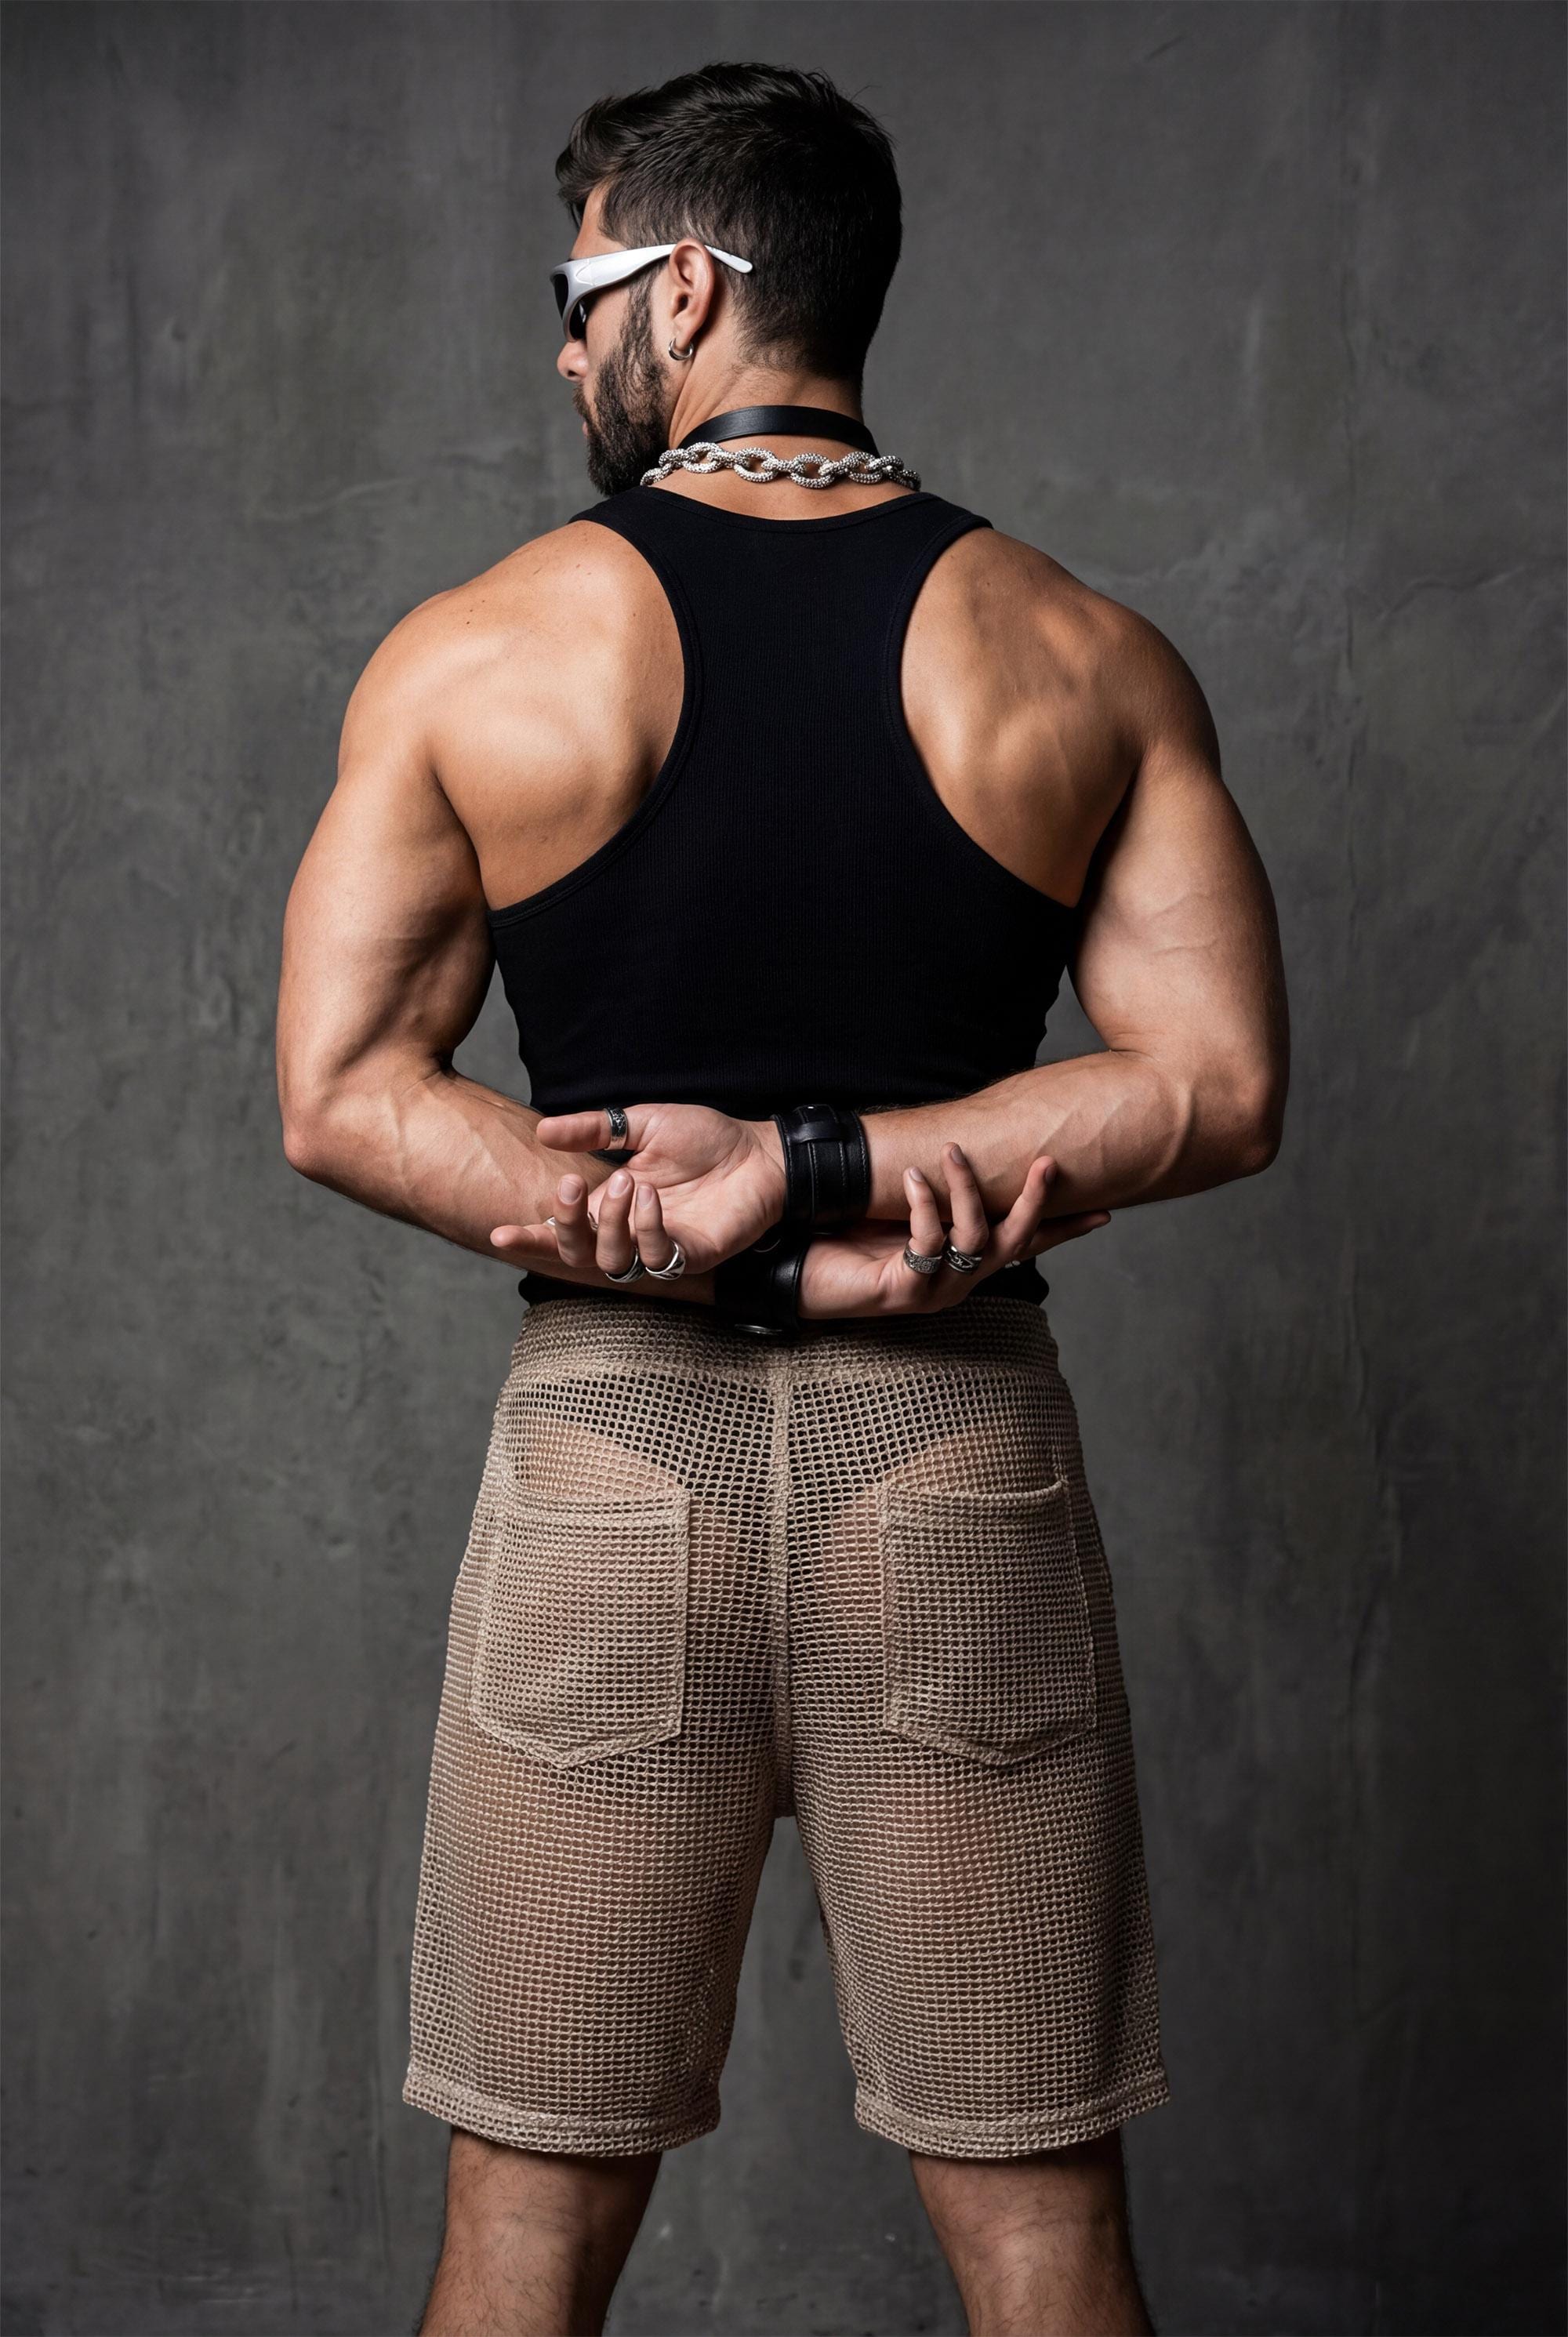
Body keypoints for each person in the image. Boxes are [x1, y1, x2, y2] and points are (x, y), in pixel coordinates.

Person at [276, 60, 1287, 2337]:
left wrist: (657, 1212)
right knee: (1041, 2232)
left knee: (523, 2235)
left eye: (577, 296)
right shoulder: (1078, 653)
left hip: (610, 1478)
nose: (558, 350)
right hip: (951, 1462)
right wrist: (831, 1179)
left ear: (693, 286)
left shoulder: (484, 648)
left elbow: (341, 1094)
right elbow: (1216, 1087)